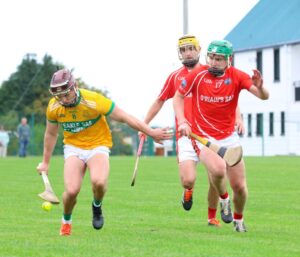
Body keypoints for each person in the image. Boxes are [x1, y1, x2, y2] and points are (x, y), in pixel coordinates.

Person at [36, 69, 172, 236]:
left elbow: (125, 117)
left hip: (98, 145)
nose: (63, 99)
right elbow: (51, 133)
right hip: (73, 147)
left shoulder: (94, 100)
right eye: (59, 96)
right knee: (71, 191)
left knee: (99, 182)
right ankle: (66, 220)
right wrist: (45, 162)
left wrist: (151, 132)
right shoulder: (54, 107)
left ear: (74, 87)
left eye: (66, 94)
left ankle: (97, 206)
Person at [143, 35, 244, 227]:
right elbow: (160, 100)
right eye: (183, 50)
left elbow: (229, 100)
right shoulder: (175, 77)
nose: (187, 52)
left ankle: (213, 215)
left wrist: (238, 117)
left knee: (215, 174)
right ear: (179, 53)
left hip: (208, 133)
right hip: (185, 136)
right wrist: (144, 125)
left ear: (199, 51)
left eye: (191, 48)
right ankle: (188, 190)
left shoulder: (211, 72)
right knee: (188, 179)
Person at [173, 40, 269, 232]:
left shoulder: (237, 76)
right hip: (203, 136)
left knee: (240, 187)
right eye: (212, 58)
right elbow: (178, 97)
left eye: (219, 59)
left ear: (228, 59)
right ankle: (224, 201)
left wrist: (261, 87)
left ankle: (239, 221)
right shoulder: (197, 75)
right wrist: (182, 120)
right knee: (217, 170)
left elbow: (263, 97)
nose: (214, 62)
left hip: (229, 138)